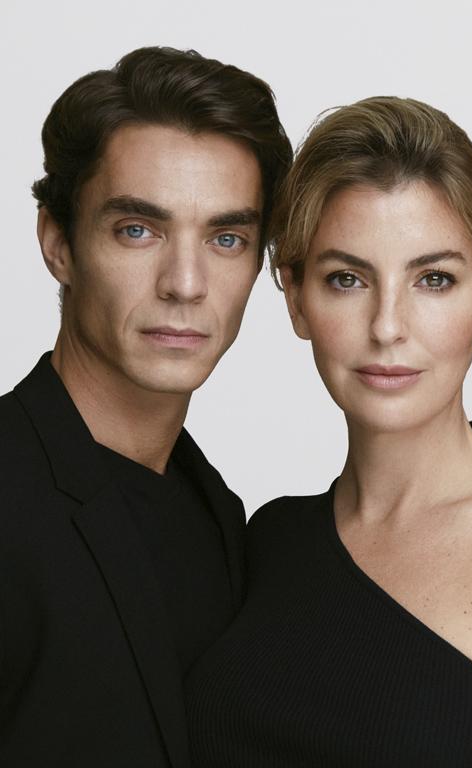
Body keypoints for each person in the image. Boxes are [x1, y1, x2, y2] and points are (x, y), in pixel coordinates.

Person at [184, 97, 472, 767]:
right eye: (347, 279)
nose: (388, 326)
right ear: (296, 298)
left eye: (434, 279)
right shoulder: (271, 537)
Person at [0, 47, 291, 767]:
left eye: (226, 237)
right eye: (138, 229)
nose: (185, 283)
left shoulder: (217, 512)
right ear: (59, 243)